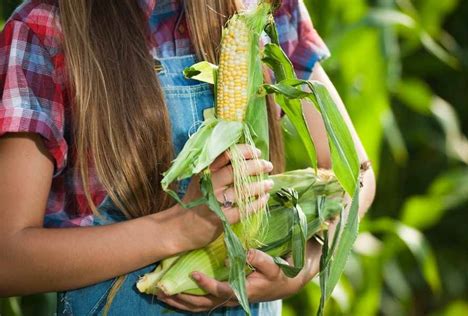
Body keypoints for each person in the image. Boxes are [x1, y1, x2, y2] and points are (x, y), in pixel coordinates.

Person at [0, 0, 376, 315]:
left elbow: (355, 176)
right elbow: (8, 259)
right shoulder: (44, 29)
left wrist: (300, 268)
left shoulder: (261, 8)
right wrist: (178, 229)